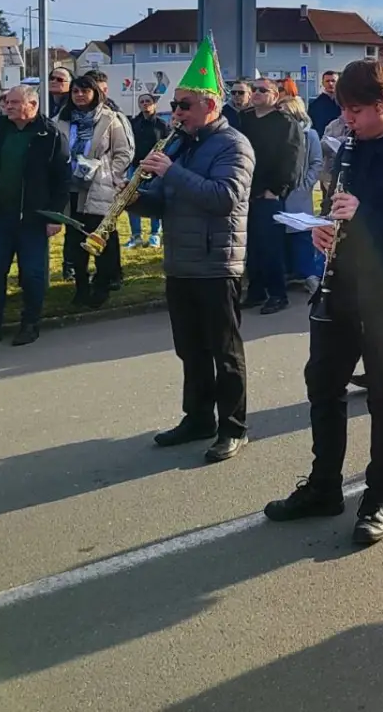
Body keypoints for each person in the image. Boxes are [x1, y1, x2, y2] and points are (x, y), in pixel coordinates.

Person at [264, 56, 383, 544]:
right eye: (344, 108)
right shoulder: (351, 147)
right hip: (341, 288)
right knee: (324, 387)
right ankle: (324, 486)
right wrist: (324, 230)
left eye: (356, 109)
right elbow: (339, 210)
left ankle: (378, 497)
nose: (347, 118)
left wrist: (364, 216)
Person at [139, 38, 257, 463]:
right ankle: (198, 418)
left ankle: (233, 427)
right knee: (190, 350)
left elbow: (223, 197)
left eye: (184, 105)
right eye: (175, 105)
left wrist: (171, 172)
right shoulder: (179, 144)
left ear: (210, 105)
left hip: (217, 262)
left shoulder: (234, 145)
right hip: (181, 261)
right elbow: (165, 202)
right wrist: (132, 196)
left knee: (224, 352)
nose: (176, 113)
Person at [0, 85, 70, 349]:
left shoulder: (50, 135)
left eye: (14, 102)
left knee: (32, 274)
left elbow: (62, 179)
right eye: (6, 102)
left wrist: (55, 216)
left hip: (33, 219)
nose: (7, 106)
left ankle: (30, 324)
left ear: (32, 105)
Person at [56, 75, 134, 309]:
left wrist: (108, 173)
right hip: (71, 187)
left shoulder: (110, 119)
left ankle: (102, 285)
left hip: (99, 185)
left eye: (85, 91)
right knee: (75, 240)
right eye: (75, 91)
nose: (80, 95)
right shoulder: (61, 120)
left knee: (101, 238)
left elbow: (124, 152)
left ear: (95, 93)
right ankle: (81, 287)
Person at [237, 76, 302, 315]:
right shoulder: (244, 119)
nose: (256, 93)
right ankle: (256, 291)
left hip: (269, 194)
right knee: (251, 247)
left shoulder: (285, 122)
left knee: (270, 247)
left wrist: (276, 190)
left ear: (275, 96)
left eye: (263, 90)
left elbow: (292, 159)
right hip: (245, 192)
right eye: (254, 89)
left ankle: (278, 294)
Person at [278, 88, 324, 294]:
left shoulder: (310, 135)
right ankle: (289, 272)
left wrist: (306, 185)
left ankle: (308, 274)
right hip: (280, 191)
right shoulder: (278, 134)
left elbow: (316, 162)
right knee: (282, 234)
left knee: (301, 235)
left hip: (299, 193)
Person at [126, 93, 170, 248]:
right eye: (142, 102)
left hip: (155, 169)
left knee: (154, 199)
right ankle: (136, 236)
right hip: (135, 167)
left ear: (154, 104)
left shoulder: (162, 125)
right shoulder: (133, 124)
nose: (145, 104)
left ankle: (155, 235)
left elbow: (167, 146)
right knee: (131, 199)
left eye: (148, 101)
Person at [309, 69, 340, 135]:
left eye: (333, 81)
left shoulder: (344, 102)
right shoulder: (315, 104)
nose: (330, 83)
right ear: (323, 83)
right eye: (327, 81)